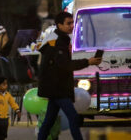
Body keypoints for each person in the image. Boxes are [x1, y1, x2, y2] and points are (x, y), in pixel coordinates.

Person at [37, 11, 101, 140]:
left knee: (49, 121)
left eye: (73, 23)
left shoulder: (59, 40)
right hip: (57, 88)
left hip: (56, 87)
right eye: (68, 23)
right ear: (59, 25)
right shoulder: (56, 42)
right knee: (73, 117)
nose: (72, 26)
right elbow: (65, 64)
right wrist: (88, 62)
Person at [0, 75, 20, 140]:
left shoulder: (7, 94)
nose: (6, 85)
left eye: (6, 84)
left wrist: (17, 110)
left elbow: (13, 103)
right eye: (4, 84)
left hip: (5, 119)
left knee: (3, 136)